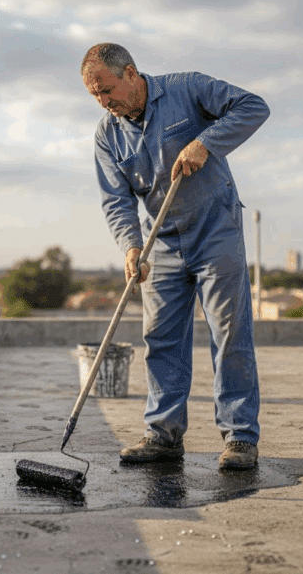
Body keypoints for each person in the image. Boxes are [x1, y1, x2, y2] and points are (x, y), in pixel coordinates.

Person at [81, 43, 269, 470]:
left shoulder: (188, 89)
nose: (103, 102)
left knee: (229, 333)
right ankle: (163, 435)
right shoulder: (107, 134)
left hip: (215, 231)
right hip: (160, 242)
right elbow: (116, 200)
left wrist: (206, 142)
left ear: (131, 73)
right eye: (95, 95)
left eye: (107, 90)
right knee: (160, 337)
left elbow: (254, 107)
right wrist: (131, 246)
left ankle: (240, 437)